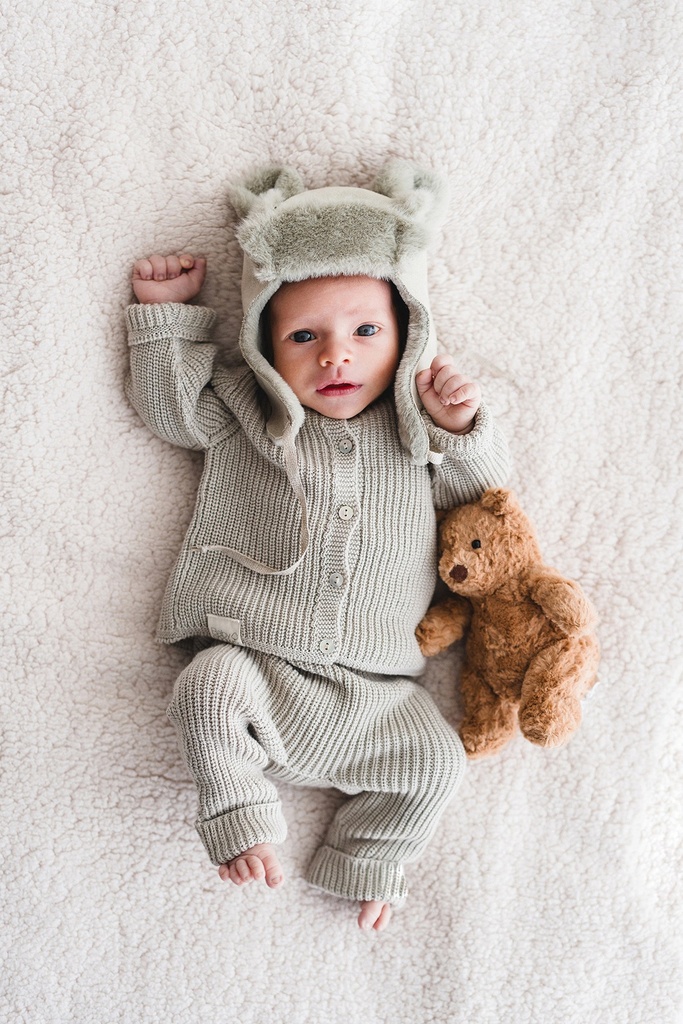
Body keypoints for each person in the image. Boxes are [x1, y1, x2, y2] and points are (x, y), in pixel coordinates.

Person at [125, 161, 510, 931]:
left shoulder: (414, 430)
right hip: (258, 665)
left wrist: (460, 427)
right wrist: (168, 320)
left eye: (365, 332)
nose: (335, 355)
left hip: (377, 697)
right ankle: (238, 810)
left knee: (436, 760)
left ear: (407, 336)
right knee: (203, 689)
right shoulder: (248, 410)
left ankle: (366, 858)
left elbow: (483, 502)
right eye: (303, 336)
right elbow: (171, 412)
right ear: (265, 346)